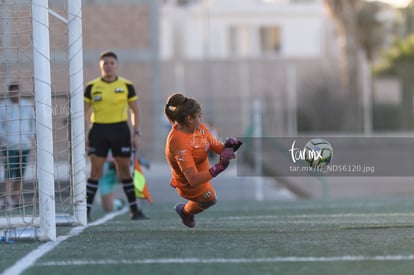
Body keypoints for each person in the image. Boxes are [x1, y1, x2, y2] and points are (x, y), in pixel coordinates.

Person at [84, 51, 147, 221]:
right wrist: (84, 135)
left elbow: (135, 111)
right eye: (105, 63)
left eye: (111, 63)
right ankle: (85, 214)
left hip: (120, 130)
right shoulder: (92, 86)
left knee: (125, 171)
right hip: (98, 131)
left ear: (116, 65)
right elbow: (83, 112)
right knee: (95, 171)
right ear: (100, 65)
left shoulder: (126, 85)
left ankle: (135, 211)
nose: (108, 66)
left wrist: (136, 132)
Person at [164, 93, 241, 228]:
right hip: (189, 185)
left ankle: (186, 211)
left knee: (211, 199)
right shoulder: (178, 143)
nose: (201, 120)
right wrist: (218, 167)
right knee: (211, 200)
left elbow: (216, 146)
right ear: (189, 119)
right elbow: (193, 180)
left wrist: (229, 147)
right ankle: (185, 211)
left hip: (202, 172)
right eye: (199, 116)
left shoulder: (200, 128)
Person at [0, 82, 35, 209]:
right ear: (9, 93)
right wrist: (4, 139)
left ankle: (17, 198)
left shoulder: (27, 105)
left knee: (20, 173)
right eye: (12, 92)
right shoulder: (3, 107)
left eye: (17, 91)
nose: (15, 94)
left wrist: (30, 136)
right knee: (9, 172)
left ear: (19, 92)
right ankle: (6, 199)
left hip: (24, 145)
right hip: (9, 145)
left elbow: (33, 122)